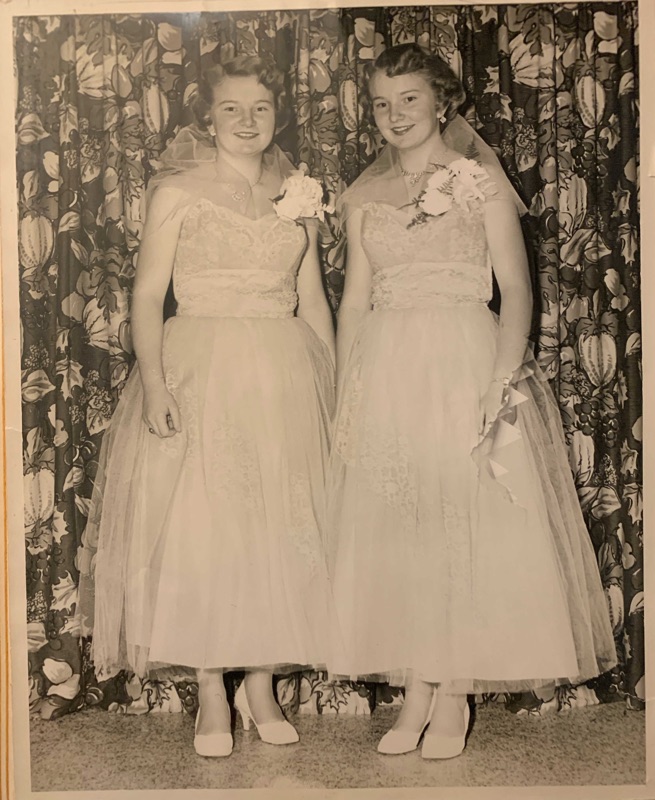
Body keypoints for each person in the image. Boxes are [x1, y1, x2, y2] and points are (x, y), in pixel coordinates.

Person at [326, 43, 616, 759]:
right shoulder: (363, 197)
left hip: (462, 361)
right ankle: (416, 688)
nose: (395, 115)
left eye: (410, 99)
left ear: (441, 102)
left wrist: (498, 380)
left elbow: (514, 290)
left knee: (462, 524)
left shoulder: (476, 181)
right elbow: (355, 300)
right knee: (404, 530)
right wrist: (345, 389)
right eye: (382, 103)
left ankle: (453, 690)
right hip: (385, 370)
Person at [78, 55, 336, 758]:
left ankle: (261, 684)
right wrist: (155, 383)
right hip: (201, 369)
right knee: (206, 526)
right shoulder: (177, 192)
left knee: (276, 526)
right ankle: (212, 688)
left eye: (260, 108)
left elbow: (312, 299)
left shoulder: (299, 194)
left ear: (277, 116)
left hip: (282, 373)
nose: (247, 121)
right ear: (208, 119)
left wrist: (332, 388)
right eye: (231, 108)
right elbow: (145, 294)